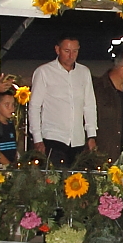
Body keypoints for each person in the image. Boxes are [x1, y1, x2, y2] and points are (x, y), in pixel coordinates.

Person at [29, 31, 98, 166]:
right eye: (67, 51)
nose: (71, 55)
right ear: (57, 49)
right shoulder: (44, 72)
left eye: (75, 51)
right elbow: (34, 106)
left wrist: (91, 135)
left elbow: (89, 105)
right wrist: (37, 139)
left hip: (77, 139)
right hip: (53, 137)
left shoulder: (84, 72)